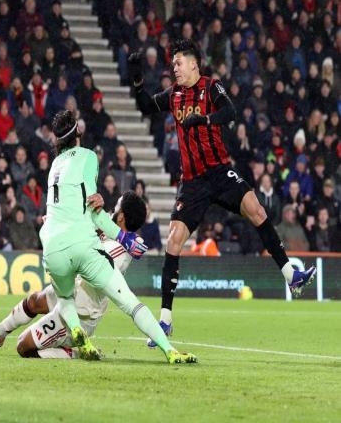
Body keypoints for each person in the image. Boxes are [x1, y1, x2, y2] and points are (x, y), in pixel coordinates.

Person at [128, 38, 316, 346]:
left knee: (257, 210)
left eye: (178, 63)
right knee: (174, 240)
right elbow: (145, 106)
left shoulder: (210, 87)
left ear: (194, 64)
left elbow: (231, 112)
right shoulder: (174, 95)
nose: (174, 69)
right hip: (192, 182)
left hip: (219, 172)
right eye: (173, 64)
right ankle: (165, 321)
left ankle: (290, 276)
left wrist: (204, 119)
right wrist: (137, 81)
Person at [21, 110, 192, 363]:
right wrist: (123, 237)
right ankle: (170, 351)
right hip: (85, 258)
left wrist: (60, 221)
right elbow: (92, 210)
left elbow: (79, 211)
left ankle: (74, 338)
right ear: (78, 132)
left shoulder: (55, 165)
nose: (113, 208)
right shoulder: (88, 158)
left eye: (117, 206)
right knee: (131, 304)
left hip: (59, 255)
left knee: (46, 317)